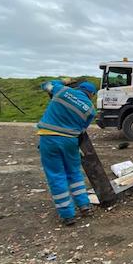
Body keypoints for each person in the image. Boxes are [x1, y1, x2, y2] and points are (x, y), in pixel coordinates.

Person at [37, 79, 97, 226]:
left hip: (49, 138)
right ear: (92, 95)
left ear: (78, 88)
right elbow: (83, 129)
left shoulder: (63, 90)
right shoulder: (90, 109)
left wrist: (63, 81)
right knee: (74, 172)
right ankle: (84, 205)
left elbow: (46, 85)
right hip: (71, 140)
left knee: (56, 175)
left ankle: (67, 214)